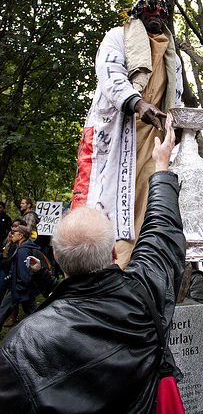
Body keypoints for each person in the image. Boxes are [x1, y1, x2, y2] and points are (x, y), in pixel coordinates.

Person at [0, 122, 186, 414]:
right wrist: (161, 167)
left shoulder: (20, 347)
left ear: (58, 260)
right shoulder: (144, 293)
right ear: (114, 251)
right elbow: (162, 234)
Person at [71, 0, 183, 269]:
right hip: (116, 132)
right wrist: (137, 103)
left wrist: (176, 126)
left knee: (149, 200)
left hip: (153, 137)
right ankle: (95, 269)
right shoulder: (116, 37)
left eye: (162, 12)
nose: (156, 15)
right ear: (137, 14)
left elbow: (176, 96)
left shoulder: (173, 57)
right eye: (149, 10)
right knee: (102, 201)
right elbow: (110, 73)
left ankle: (137, 270)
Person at [0, 225, 41, 331]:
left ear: (21, 236)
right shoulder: (25, 247)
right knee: (34, 315)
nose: (12, 235)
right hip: (25, 288)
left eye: (14, 233)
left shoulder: (22, 251)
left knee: (3, 310)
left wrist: (18, 289)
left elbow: (24, 273)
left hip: (21, 288)